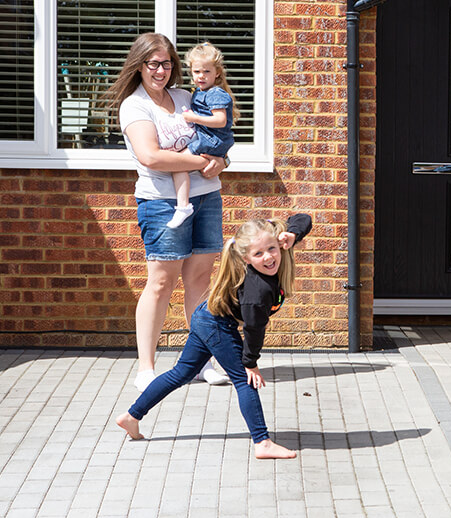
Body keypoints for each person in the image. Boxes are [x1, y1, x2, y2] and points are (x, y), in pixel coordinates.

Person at [116, 214, 312, 459]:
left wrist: (292, 234)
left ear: (280, 243)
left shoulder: (276, 254)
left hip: (206, 316)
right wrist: (250, 363)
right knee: (244, 380)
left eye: (272, 249)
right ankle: (262, 443)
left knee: (182, 372)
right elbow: (253, 329)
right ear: (245, 258)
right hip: (217, 325)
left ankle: (131, 416)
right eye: (259, 254)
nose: (269, 257)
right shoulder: (258, 291)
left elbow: (303, 218)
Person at [104, 33, 229, 391]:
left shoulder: (186, 97)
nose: (161, 70)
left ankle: (202, 362)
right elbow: (151, 156)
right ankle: (146, 366)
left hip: (207, 196)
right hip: (161, 203)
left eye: (167, 63)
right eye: (154, 64)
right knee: (161, 282)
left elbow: (215, 138)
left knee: (201, 281)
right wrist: (200, 161)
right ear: (140, 65)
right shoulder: (135, 105)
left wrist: (221, 160)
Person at [167, 42, 239, 229]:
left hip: (211, 141)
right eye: (197, 71)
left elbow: (220, 120)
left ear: (217, 73)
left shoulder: (215, 93)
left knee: (177, 164)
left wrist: (194, 118)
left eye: (206, 72)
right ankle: (184, 204)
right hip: (209, 140)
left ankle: (183, 206)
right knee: (180, 163)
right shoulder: (199, 92)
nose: (201, 76)